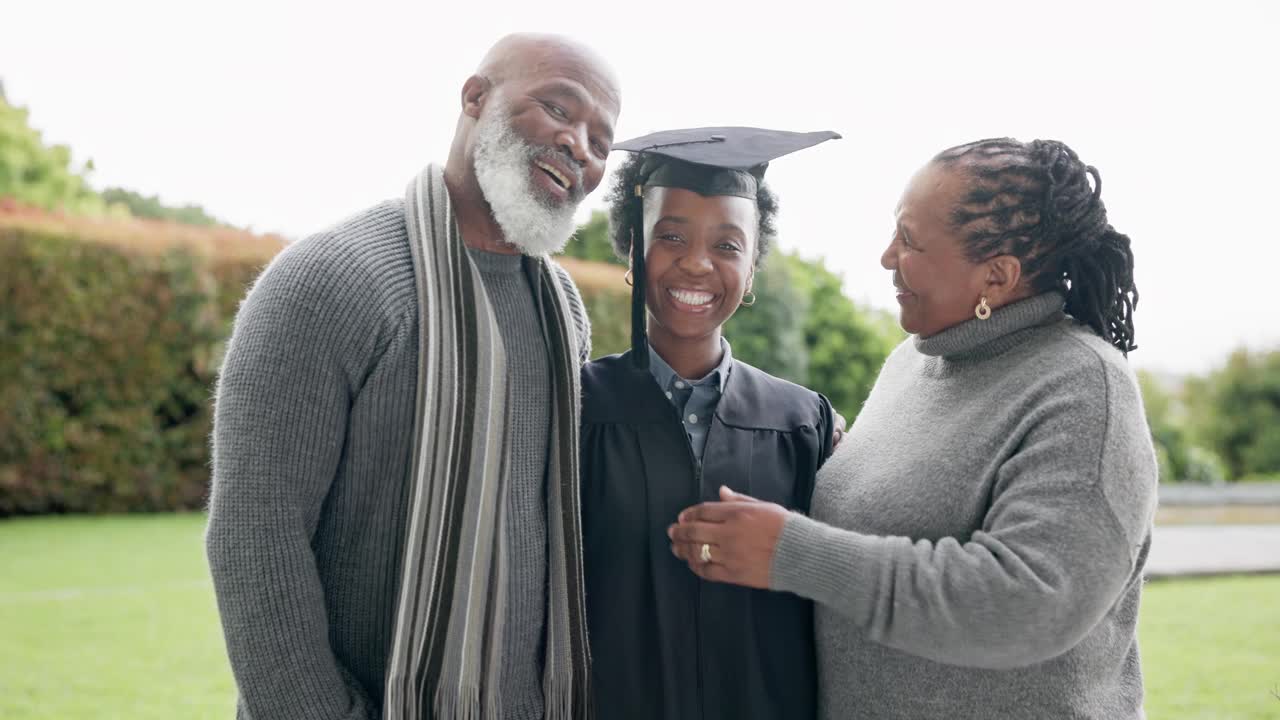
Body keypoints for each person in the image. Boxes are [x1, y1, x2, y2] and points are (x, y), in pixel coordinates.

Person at [205, 34, 620, 720]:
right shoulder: (331, 278)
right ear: (475, 97)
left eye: (602, 141)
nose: (579, 146)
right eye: (557, 107)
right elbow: (256, 532)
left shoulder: (562, 308)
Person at [669, 138, 1157, 719]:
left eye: (911, 240)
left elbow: (1028, 603)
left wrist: (790, 552)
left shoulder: (1083, 387)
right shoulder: (916, 360)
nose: (886, 256)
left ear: (997, 277)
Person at [580, 127, 840, 719]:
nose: (697, 263)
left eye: (727, 245)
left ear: (751, 271)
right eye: (671, 236)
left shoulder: (803, 424)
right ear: (631, 251)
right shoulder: (574, 411)